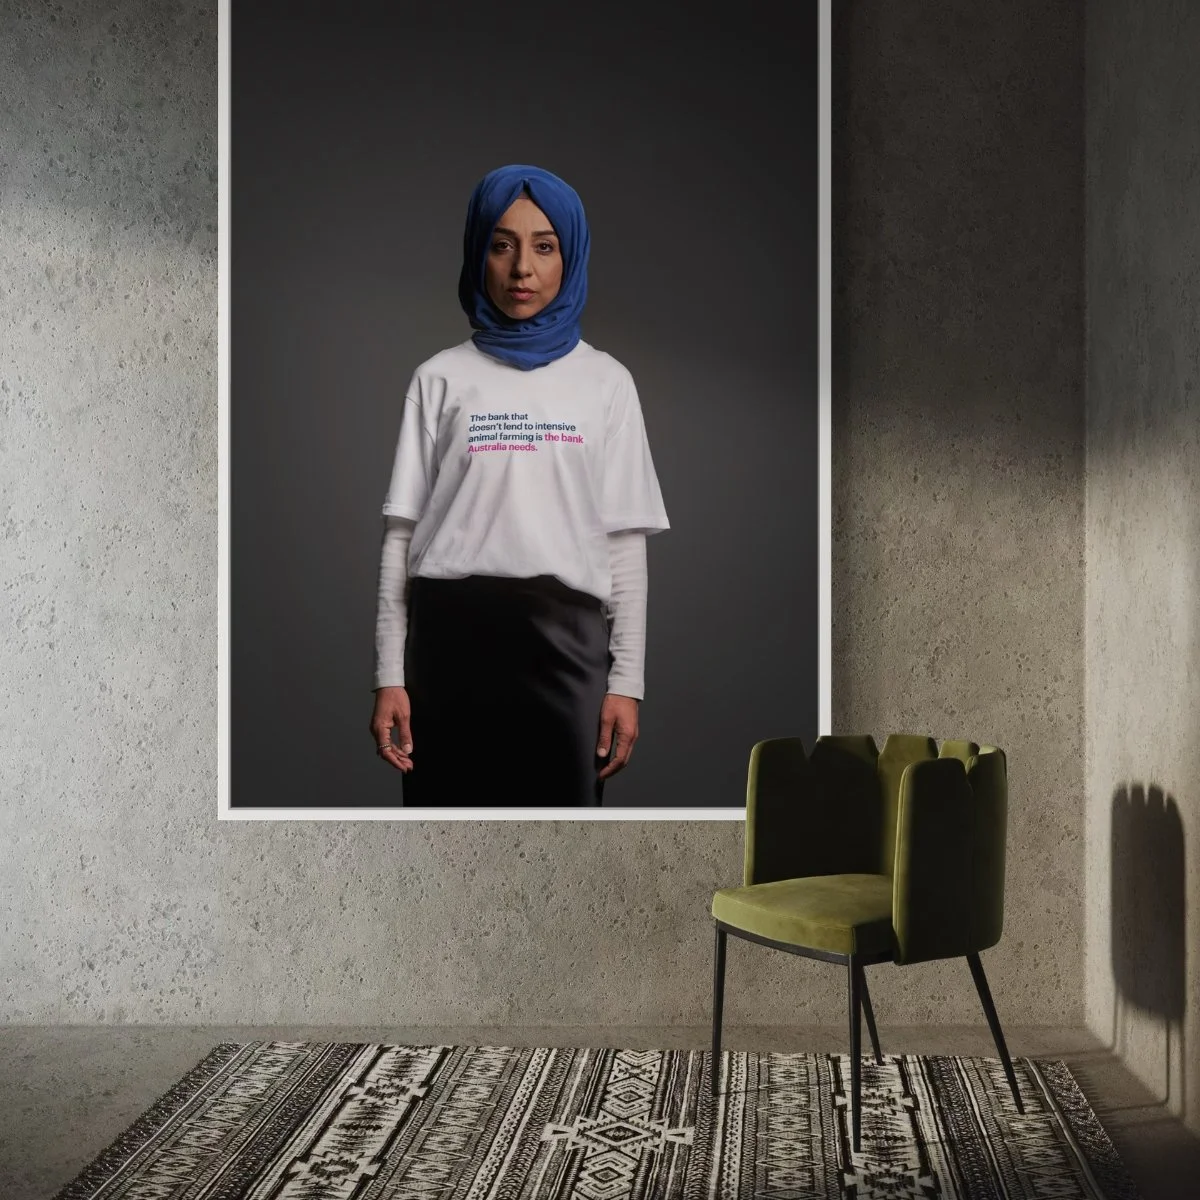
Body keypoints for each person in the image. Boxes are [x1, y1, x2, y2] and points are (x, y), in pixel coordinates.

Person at [369, 164, 669, 807]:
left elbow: (625, 549)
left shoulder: (607, 383)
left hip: (567, 652)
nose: (521, 269)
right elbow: (401, 536)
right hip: (447, 651)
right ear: (479, 253)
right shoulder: (439, 379)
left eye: (544, 245)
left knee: (562, 844)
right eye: (502, 245)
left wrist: (627, 682)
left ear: (572, 254)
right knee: (441, 845)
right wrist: (389, 675)